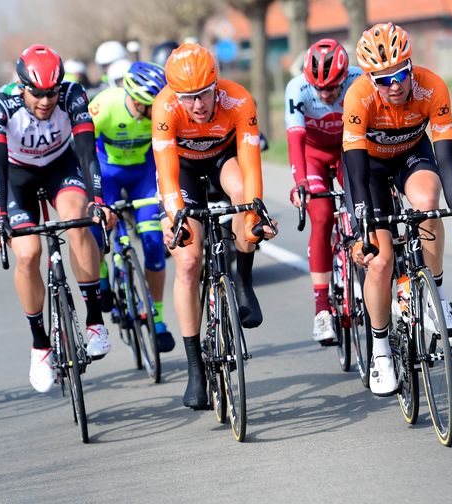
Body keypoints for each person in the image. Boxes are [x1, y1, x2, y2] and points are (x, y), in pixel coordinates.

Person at [342, 23, 452, 396]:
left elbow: (448, 164)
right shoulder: (358, 97)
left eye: (400, 74)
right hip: (369, 171)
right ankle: (379, 352)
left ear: (411, 66)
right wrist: (363, 234)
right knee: (380, 261)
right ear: (369, 78)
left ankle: (435, 295)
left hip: (412, 154)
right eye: (382, 79)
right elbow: (357, 177)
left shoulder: (432, 87)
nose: (393, 85)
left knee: (426, 202)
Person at [152, 43, 277, 409]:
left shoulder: (238, 100)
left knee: (243, 196)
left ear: (215, 85)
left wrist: (254, 213)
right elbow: (167, 174)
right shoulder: (164, 107)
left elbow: (252, 167)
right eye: (188, 98)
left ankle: (244, 282)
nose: (198, 105)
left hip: (224, 159)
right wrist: (177, 217)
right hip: (184, 171)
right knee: (188, 261)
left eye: (204, 94)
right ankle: (194, 369)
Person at [0, 44, 113, 393]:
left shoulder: (72, 95)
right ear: (21, 86)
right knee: (27, 253)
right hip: (17, 175)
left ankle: (95, 319)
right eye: (37, 93)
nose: (45, 101)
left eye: (51, 93)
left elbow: (87, 153)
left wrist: (98, 201)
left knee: (78, 219)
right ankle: (39, 345)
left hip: (59, 167)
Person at [88, 61, 175, 353]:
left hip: (143, 173)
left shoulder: (160, 110)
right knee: (97, 230)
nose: (157, 112)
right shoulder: (105, 104)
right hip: (107, 172)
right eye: (151, 106)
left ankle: (158, 318)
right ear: (136, 100)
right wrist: (97, 199)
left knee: (153, 242)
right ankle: (101, 276)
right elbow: (82, 147)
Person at [285, 39, 363, 344]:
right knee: (321, 217)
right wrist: (300, 184)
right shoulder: (297, 89)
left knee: (363, 208)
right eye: (319, 88)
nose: (326, 94)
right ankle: (321, 309)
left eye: (332, 88)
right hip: (313, 155)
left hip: (347, 150)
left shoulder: (359, 80)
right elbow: (295, 139)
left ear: (344, 77)